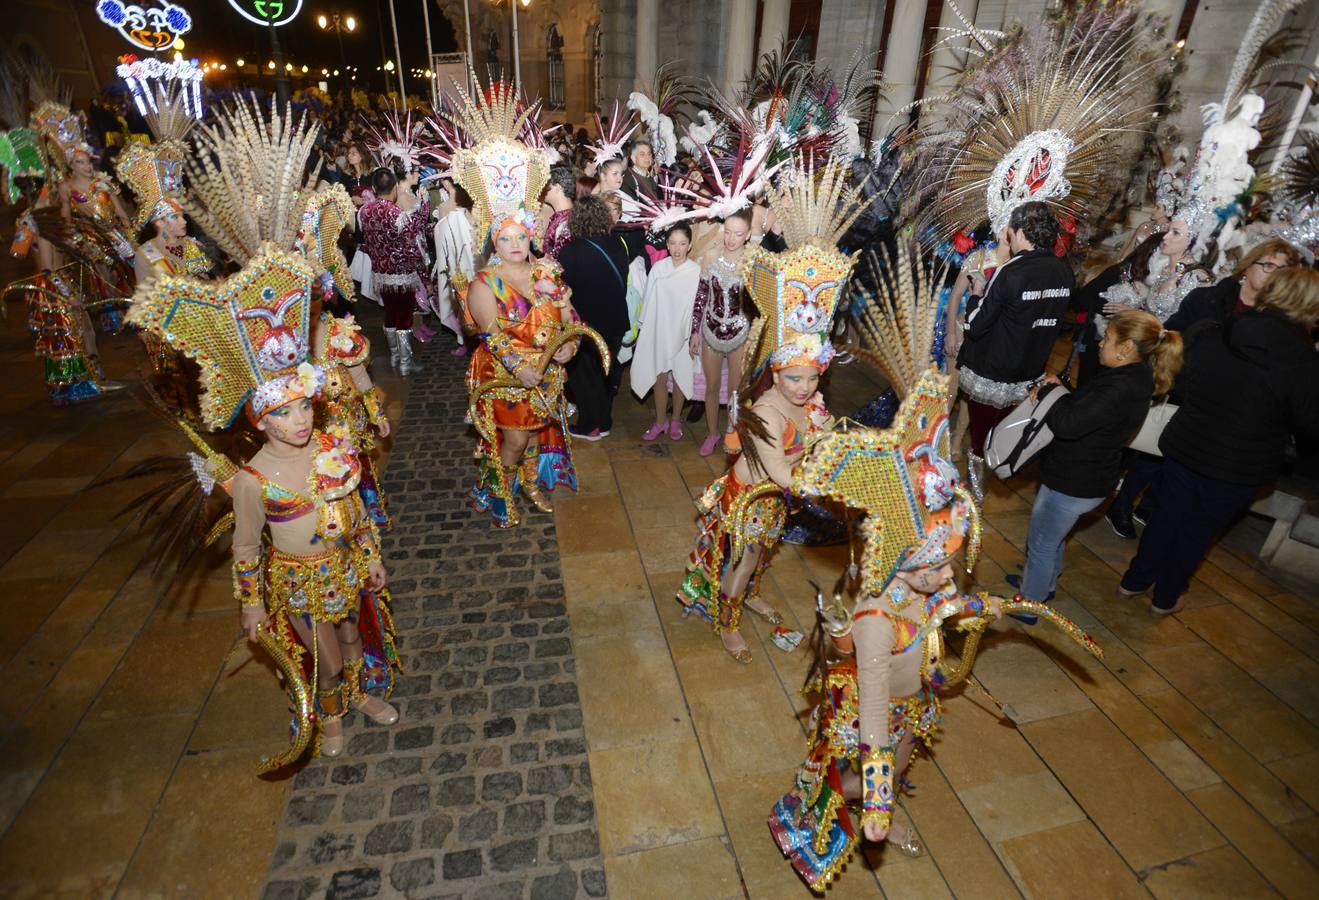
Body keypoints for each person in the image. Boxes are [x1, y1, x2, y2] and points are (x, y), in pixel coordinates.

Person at [770, 241, 1101, 890]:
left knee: (896, 760)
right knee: (859, 774)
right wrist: (876, 783)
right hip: (870, 716)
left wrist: (988, 606)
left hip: (910, 702)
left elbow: (941, 613)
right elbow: (868, 701)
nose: (944, 578)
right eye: (931, 571)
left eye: (947, 566)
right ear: (897, 566)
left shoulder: (922, 586)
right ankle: (827, 810)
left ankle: (877, 795)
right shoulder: (871, 617)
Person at [129, 246, 401, 764]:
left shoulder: (331, 449)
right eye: (284, 412)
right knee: (324, 658)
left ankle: (360, 694)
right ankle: (332, 713)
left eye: (304, 406)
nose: (300, 420)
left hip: (343, 564)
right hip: (298, 579)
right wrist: (252, 603)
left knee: (350, 637)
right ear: (260, 421)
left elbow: (356, 513)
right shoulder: (254, 480)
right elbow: (248, 546)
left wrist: (370, 557)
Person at [1120, 267, 1319, 614]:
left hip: (1188, 444)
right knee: (1199, 530)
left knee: (1166, 516)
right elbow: (1310, 424)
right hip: (1240, 465)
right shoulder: (1304, 362)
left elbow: (1182, 383)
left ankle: (1134, 581)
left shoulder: (1222, 328)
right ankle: (1165, 599)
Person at [1007, 310, 1184, 611]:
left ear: (1126, 348)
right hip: (1087, 476)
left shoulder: (1120, 386)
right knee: (1055, 536)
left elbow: (1068, 424)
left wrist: (1051, 392)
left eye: (1108, 338)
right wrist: (1062, 391)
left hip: (1073, 480)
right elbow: (1089, 412)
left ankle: (1030, 604)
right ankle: (1043, 583)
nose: (1101, 343)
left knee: (1041, 542)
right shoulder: (1135, 376)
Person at [955, 201, 1073, 496]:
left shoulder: (1010, 272)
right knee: (1004, 433)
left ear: (1020, 233)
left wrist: (977, 293)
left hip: (992, 371)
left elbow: (975, 325)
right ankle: (986, 487)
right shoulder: (1063, 272)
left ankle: (974, 501)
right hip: (1027, 373)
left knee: (981, 442)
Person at [557, 195, 646, 439]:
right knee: (605, 373)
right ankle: (604, 422)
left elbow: (565, 291)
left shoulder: (570, 252)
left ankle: (589, 426)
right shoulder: (617, 243)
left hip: (586, 325)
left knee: (583, 377)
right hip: (616, 321)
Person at [691, 210, 760, 456]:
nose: (731, 239)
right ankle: (712, 433)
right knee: (711, 386)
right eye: (727, 232)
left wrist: (756, 334)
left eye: (738, 234)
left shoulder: (754, 260)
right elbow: (701, 296)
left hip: (741, 331)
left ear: (749, 234)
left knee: (736, 390)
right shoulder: (710, 256)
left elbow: (761, 303)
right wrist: (694, 331)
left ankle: (733, 432)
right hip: (710, 328)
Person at [629, 224, 701, 440]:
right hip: (659, 328)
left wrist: (694, 333)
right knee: (659, 376)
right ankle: (660, 420)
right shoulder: (659, 268)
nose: (677, 249)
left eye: (682, 244)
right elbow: (648, 299)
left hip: (683, 331)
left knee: (680, 375)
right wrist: (644, 329)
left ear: (689, 245)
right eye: (672, 243)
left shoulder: (695, 271)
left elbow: (698, 305)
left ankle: (676, 419)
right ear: (667, 244)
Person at [359, 167, 430, 375]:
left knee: (390, 315)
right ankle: (406, 363)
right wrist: (424, 205)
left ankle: (394, 357)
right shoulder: (395, 213)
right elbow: (412, 240)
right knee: (404, 318)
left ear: (373, 188)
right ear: (394, 189)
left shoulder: (364, 212)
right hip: (402, 274)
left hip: (381, 274)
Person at [1163, 238, 1300, 332]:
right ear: (1247, 267)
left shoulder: (1280, 320)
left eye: (1282, 270)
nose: (1274, 274)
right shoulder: (1204, 299)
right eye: (1268, 265)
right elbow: (1171, 337)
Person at [433, 176, 475, 356]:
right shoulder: (472, 204)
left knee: (461, 300)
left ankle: (465, 340)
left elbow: (441, 245)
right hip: (471, 260)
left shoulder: (445, 208)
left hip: (457, 262)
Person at [541, 165, 576, 261]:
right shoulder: (561, 216)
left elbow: (562, 262)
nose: (542, 189)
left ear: (558, 187)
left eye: (546, 185)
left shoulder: (567, 222)